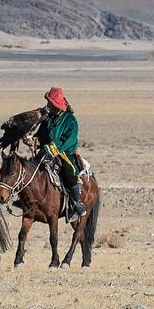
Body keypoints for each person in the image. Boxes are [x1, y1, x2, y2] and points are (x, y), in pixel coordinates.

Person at [35, 86, 85, 216]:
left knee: (68, 173)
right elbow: (40, 135)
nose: (48, 105)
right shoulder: (47, 119)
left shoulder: (70, 120)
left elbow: (67, 140)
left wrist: (51, 148)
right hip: (46, 152)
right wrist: (35, 140)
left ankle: (77, 202)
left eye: (50, 103)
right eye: (48, 102)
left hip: (65, 153)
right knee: (31, 168)